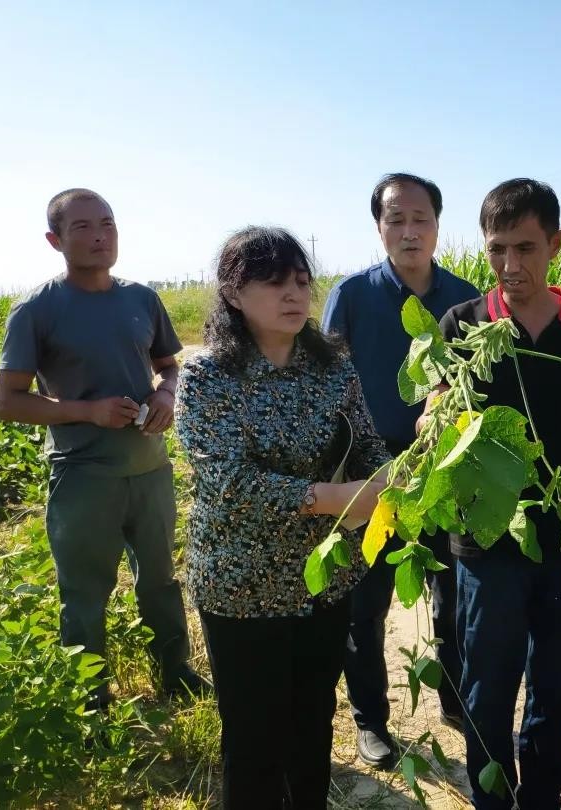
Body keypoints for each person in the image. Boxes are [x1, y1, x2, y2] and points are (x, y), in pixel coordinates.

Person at [175, 226, 390, 809]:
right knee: (253, 738)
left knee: (312, 726)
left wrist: (390, 480)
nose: (294, 294)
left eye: (301, 281)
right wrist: (333, 498)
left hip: (324, 578)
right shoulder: (208, 376)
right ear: (234, 293)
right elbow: (227, 481)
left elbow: (367, 442)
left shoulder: (332, 366)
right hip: (242, 585)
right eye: (274, 282)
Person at [427, 179, 561, 809]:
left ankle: (540, 797)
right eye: (497, 250)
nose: (512, 266)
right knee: (487, 684)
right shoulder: (463, 325)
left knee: (553, 682)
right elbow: (435, 424)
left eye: (527, 248)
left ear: (556, 244)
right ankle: (492, 799)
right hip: (486, 537)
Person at [0, 188, 204, 706]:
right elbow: (6, 401)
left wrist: (165, 394)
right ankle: (91, 700)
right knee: (85, 593)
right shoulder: (36, 311)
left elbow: (169, 364)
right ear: (54, 239)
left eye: (106, 223)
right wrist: (87, 411)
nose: (98, 235)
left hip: (149, 468)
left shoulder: (140, 299)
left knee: (160, 580)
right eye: (82, 227)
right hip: (83, 474)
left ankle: (175, 673)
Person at [322, 173, 476, 768]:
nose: (409, 232)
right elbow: (328, 386)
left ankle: (455, 700)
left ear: (438, 224)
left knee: (451, 593)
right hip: (373, 473)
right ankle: (370, 718)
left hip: (444, 467)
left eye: (421, 219)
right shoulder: (354, 295)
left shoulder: (464, 296)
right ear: (379, 227)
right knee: (367, 602)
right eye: (395, 220)